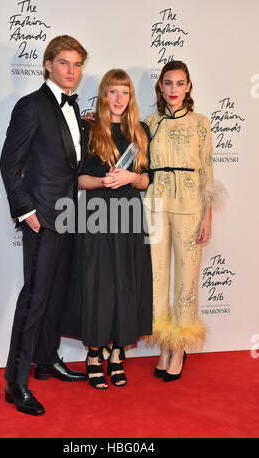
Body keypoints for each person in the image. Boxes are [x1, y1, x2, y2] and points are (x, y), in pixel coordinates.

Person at [0, 35, 88, 416]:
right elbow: (9, 163)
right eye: (64, 62)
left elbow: (70, 165)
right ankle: (15, 383)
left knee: (54, 296)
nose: (72, 70)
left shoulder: (73, 107)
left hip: (68, 214)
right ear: (48, 64)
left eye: (77, 64)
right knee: (33, 301)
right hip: (41, 219)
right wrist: (25, 210)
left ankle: (46, 358)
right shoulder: (31, 106)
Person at [63, 69, 153, 389]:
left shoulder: (140, 131)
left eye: (124, 92)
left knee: (127, 283)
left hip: (129, 216)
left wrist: (131, 178)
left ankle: (116, 355)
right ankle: (93, 355)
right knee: (98, 285)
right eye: (113, 92)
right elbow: (76, 179)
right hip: (96, 216)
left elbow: (147, 178)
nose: (119, 99)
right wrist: (103, 180)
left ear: (131, 97)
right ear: (104, 96)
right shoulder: (89, 130)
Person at [144, 61, 224, 381]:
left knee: (187, 277)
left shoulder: (201, 123)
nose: (174, 89)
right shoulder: (149, 123)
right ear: (160, 87)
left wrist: (208, 216)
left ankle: (180, 347)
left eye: (180, 83)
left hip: (191, 206)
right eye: (168, 83)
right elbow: (126, 152)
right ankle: (165, 342)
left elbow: (207, 173)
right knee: (157, 278)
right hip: (156, 205)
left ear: (188, 86)